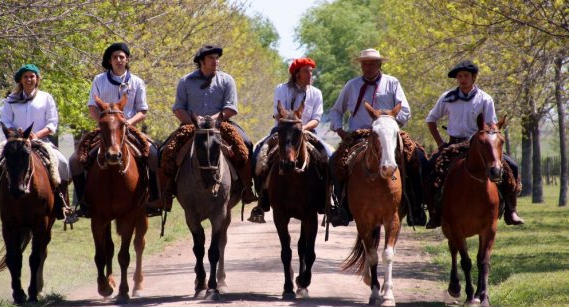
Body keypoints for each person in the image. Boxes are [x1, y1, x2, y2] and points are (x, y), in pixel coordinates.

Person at [146, 44, 259, 211]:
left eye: (217, 58)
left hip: (222, 125)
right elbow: (178, 108)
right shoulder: (186, 81)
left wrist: (210, 121)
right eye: (211, 58)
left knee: (247, 144)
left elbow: (231, 108)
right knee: (165, 151)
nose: (216, 61)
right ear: (201, 61)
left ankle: (248, 189)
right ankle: (165, 196)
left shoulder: (227, 80)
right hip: (191, 126)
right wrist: (195, 123)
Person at [328, 48, 426, 227]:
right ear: (361, 66)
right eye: (365, 63)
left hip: (388, 133)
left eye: (372, 63)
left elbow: (404, 110)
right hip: (359, 135)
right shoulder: (352, 85)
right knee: (335, 161)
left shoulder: (392, 82)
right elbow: (336, 111)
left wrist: (391, 124)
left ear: (380, 64)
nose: (368, 66)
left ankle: (416, 207)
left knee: (417, 157)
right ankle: (341, 207)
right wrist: (340, 130)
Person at [425, 60, 524, 228]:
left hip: (481, 145)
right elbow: (431, 120)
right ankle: (434, 213)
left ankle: (510, 210)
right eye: (459, 76)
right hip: (454, 145)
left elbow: (492, 125)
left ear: (473, 77)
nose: (462, 79)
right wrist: (440, 143)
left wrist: (488, 141)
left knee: (512, 167)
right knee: (430, 169)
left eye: (466, 76)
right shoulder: (447, 97)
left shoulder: (485, 98)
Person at [69, 42, 161, 218]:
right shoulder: (99, 80)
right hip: (104, 129)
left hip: (129, 128)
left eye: (122, 57)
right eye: (115, 57)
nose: (119, 60)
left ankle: (154, 200)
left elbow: (142, 110)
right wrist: (103, 124)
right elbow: (91, 107)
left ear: (127, 60)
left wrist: (127, 123)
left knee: (155, 155)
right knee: (75, 160)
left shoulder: (137, 82)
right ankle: (82, 203)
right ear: (109, 61)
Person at [0, 64, 72, 227]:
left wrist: (37, 134)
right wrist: (14, 132)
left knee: (62, 162)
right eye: (25, 77)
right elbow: (5, 120)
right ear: (20, 80)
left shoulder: (46, 97)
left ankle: (62, 205)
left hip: (39, 141)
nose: (29, 79)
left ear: (37, 79)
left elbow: (52, 122)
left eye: (32, 76)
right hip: (15, 141)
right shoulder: (11, 99)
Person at [247, 57, 334, 223]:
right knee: (259, 155)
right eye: (306, 71)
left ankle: (328, 200)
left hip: (308, 130)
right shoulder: (282, 89)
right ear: (296, 74)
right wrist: (288, 124)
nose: (310, 74)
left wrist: (302, 128)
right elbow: (277, 111)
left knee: (329, 156)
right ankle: (262, 198)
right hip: (282, 129)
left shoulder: (316, 93)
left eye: (311, 71)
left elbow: (316, 118)